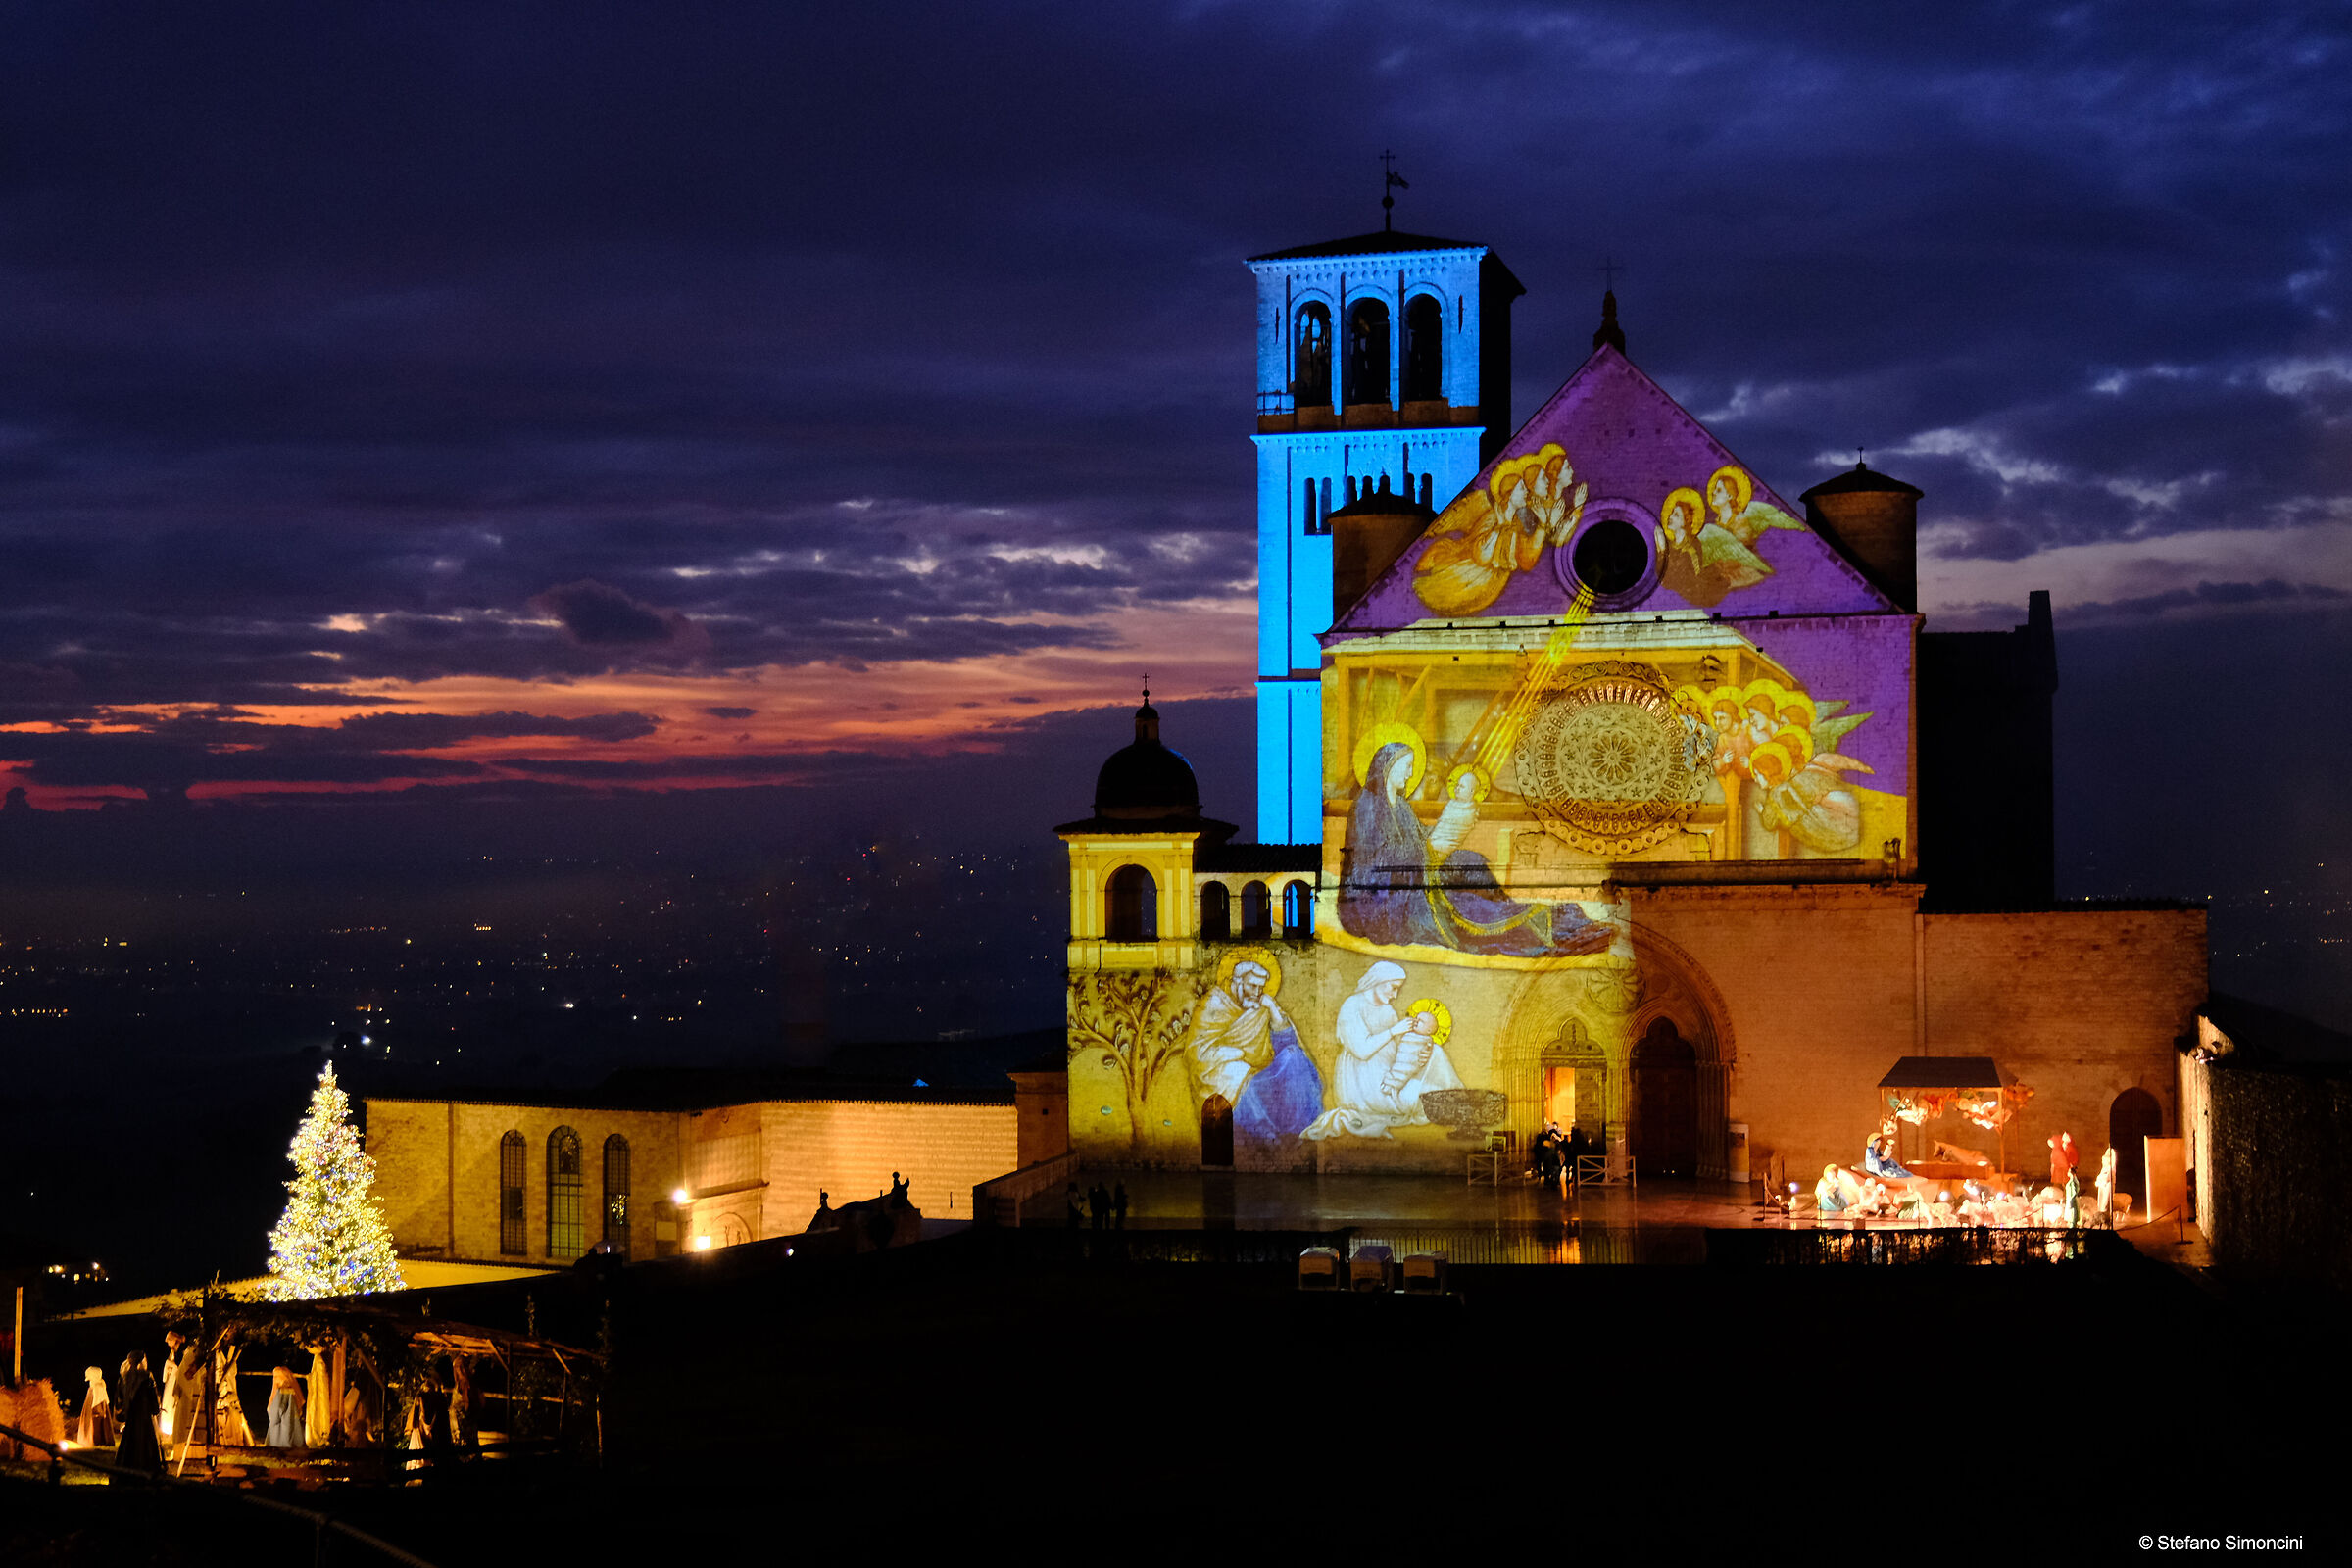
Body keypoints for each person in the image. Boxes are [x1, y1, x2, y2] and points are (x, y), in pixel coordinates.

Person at [1304, 962, 1463, 1140]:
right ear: (1379, 980)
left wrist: (1421, 1055)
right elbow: (1362, 1051)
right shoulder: (1352, 1006)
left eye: (1398, 989)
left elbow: (1400, 1050)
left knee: (1436, 1053)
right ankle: (1452, 1104)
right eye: (1393, 988)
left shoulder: (1387, 1010)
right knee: (1419, 1099)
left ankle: (1461, 1101)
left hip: (1389, 1072)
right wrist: (1393, 1031)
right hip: (1362, 1081)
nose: (1395, 995)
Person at [115, 1353, 162, 1473]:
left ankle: (127, 1468)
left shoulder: (124, 1378)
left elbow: (119, 1401)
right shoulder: (146, 1377)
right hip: (145, 1419)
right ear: (141, 1361)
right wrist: (155, 1409)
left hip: (131, 1419)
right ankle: (147, 1470)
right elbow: (153, 1398)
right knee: (146, 1444)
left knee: (129, 1444)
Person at [75, 1365, 114, 1448]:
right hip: (90, 1407)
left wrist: (98, 1410)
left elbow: (99, 1400)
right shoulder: (94, 1384)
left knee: (95, 1426)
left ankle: (96, 1440)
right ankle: (86, 1438)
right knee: (88, 1423)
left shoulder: (98, 1386)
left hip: (95, 1409)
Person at [266, 1365, 304, 1448]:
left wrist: (273, 1412)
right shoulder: (284, 1389)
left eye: (277, 1376)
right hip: (286, 1419)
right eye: (274, 1376)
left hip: (285, 1421)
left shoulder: (284, 1391)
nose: (275, 1379)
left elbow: (278, 1409)